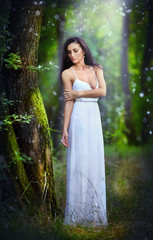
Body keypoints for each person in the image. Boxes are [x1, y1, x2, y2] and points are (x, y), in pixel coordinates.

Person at [61, 36, 107, 226]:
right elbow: (69, 102)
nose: (72, 55)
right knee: (79, 161)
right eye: (69, 52)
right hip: (79, 118)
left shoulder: (97, 70)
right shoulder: (67, 73)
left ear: (84, 51)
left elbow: (102, 91)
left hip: (93, 118)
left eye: (75, 50)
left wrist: (78, 93)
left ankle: (95, 214)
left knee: (94, 160)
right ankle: (76, 216)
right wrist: (65, 129)